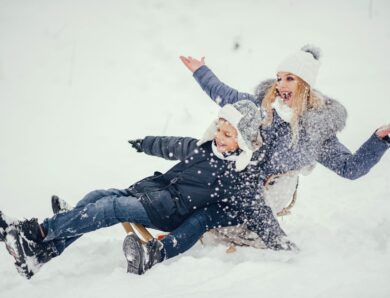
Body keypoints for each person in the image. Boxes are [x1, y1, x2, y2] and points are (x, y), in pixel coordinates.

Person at [121, 45, 390, 275]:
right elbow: (224, 95)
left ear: (305, 84)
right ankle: (163, 234)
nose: (281, 85)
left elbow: (350, 168)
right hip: (243, 178)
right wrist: (200, 71)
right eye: (279, 78)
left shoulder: (316, 131)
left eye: (290, 79)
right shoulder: (262, 106)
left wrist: (379, 140)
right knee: (212, 172)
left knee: (217, 210)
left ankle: (209, 234)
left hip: (275, 190)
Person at [1, 100, 281, 279]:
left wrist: (282, 244)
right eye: (219, 129)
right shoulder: (205, 148)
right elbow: (173, 145)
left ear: (243, 139)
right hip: (151, 192)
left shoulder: (239, 176)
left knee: (110, 207)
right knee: (98, 196)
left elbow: (257, 210)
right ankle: (39, 255)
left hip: (168, 212)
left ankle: (37, 231)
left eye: (228, 134)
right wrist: (146, 143)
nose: (219, 137)